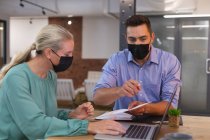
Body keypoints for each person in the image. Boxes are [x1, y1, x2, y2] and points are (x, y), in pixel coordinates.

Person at [0, 24, 125, 140]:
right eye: (67, 54)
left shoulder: (50, 75)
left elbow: (48, 115)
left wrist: (71, 115)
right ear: (49, 52)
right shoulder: (16, 77)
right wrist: (86, 126)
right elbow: (34, 125)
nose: (70, 58)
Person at [93, 15, 181, 116]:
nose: (137, 43)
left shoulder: (169, 61)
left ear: (152, 38)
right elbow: (97, 97)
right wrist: (120, 91)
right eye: (132, 39)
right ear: (126, 38)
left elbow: (171, 106)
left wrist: (145, 108)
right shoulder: (116, 60)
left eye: (143, 39)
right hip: (121, 123)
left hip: (156, 121)